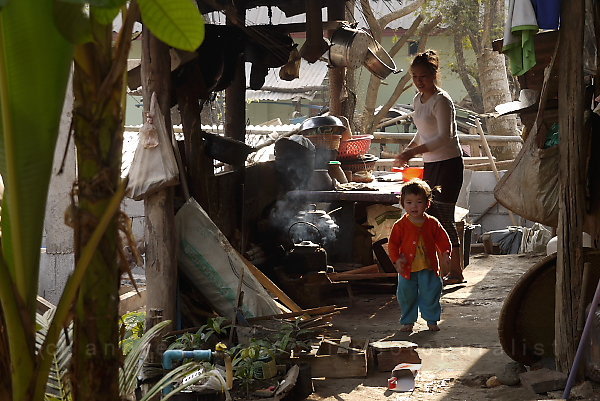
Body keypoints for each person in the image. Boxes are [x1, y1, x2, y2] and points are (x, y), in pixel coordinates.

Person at [394, 49, 465, 285]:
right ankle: (439, 269)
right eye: (414, 76)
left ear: (434, 74)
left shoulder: (442, 101)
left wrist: (412, 152)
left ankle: (456, 271)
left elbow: (444, 137)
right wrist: (409, 150)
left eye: (422, 76)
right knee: (430, 215)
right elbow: (423, 132)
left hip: (448, 164)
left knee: (443, 216)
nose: (418, 81)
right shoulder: (418, 100)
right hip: (431, 164)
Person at [388, 179, 451, 332]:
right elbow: (393, 244)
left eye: (418, 202)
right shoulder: (400, 225)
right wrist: (396, 260)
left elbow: (443, 240)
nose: (414, 206)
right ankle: (408, 321)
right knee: (406, 296)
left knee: (432, 293)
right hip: (407, 269)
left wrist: (445, 254)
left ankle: (432, 320)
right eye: (409, 202)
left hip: (428, 267)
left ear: (427, 204)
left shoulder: (432, 223)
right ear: (403, 204)